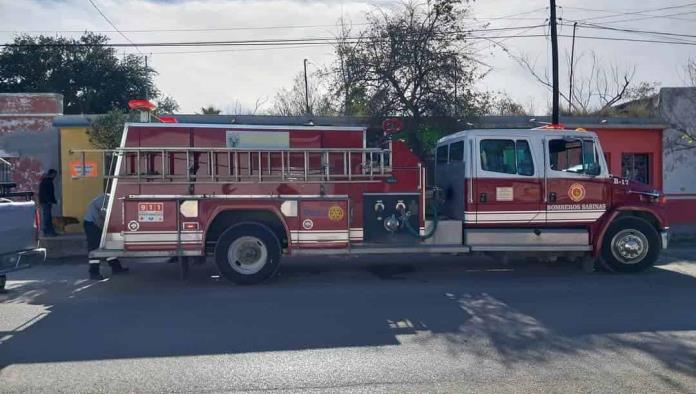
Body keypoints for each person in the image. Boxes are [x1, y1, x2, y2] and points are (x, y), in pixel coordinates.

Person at [84, 193, 129, 280]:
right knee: (95, 247)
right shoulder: (103, 200)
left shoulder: (116, 201)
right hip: (91, 224)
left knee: (109, 245)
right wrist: (105, 229)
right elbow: (97, 218)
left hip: (100, 223)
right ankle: (93, 272)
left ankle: (116, 268)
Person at [38, 169, 58, 236]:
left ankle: (49, 231)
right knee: (47, 217)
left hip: (45, 201)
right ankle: (48, 232)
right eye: (55, 174)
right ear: (52, 174)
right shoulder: (48, 181)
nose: (55, 176)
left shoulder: (46, 180)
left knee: (47, 216)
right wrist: (49, 200)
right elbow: (46, 192)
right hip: (46, 202)